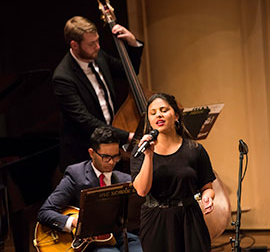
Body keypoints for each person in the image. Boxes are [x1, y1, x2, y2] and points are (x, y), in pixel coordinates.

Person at [52, 16, 144, 172]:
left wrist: (132, 42)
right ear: (74, 45)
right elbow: (85, 121)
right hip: (84, 156)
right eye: (91, 44)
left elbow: (129, 72)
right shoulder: (63, 77)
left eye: (97, 41)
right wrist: (127, 136)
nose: (97, 47)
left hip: (111, 149)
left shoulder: (98, 56)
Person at [130, 93, 216, 252]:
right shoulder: (141, 150)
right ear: (148, 120)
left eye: (164, 110)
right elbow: (142, 190)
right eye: (153, 112)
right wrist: (149, 155)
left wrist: (207, 197)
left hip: (190, 218)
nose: (159, 115)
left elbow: (207, 187)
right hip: (156, 220)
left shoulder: (195, 150)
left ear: (176, 115)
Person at [37, 126, 142, 252]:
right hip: (90, 242)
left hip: (120, 236)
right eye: (106, 157)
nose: (111, 162)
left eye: (115, 157)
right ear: (92, 153)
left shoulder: (125, 179)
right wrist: (74, 222)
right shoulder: (76, 174)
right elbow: (45, 212)